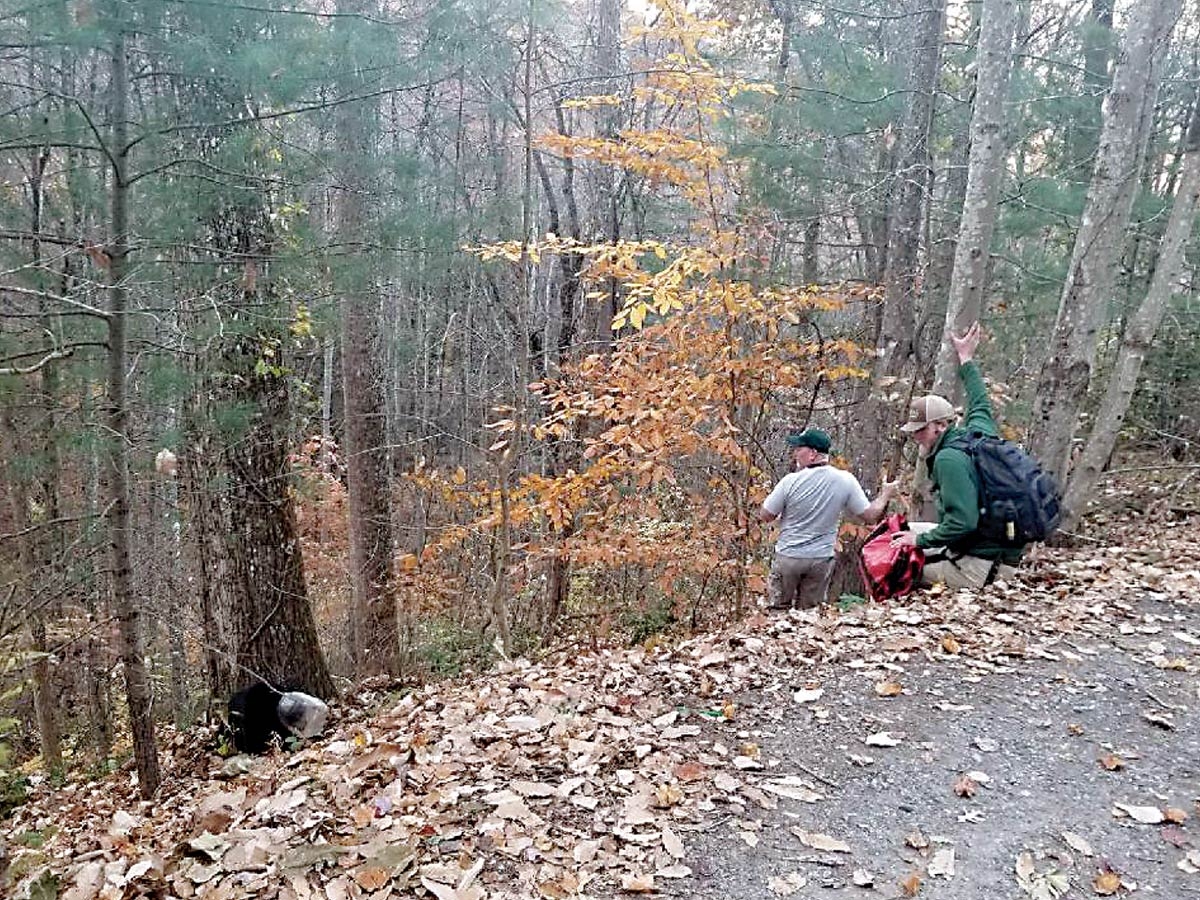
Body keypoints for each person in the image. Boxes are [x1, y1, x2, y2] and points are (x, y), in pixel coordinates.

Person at [890, 322, 1022, 589]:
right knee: (901, 533)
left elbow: (963, 522)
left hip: (980, 568)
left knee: (899, 564)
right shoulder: (977, 433)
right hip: (998, 552)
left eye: (921, 429)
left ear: (941, 425)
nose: (916, 436)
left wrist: (920, 543)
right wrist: (966, 359)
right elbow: (980, 401)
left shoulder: (948, 459)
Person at [759, 428, 897, 610]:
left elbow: (765, 515)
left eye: (799, 448)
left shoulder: (790, 481)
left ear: (812, 454)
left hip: (789, 557)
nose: (795, 453)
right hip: (821, 559)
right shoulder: (845, 480)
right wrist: (885, 494)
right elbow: (870, 516)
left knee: (777, 611)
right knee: (809, 615)